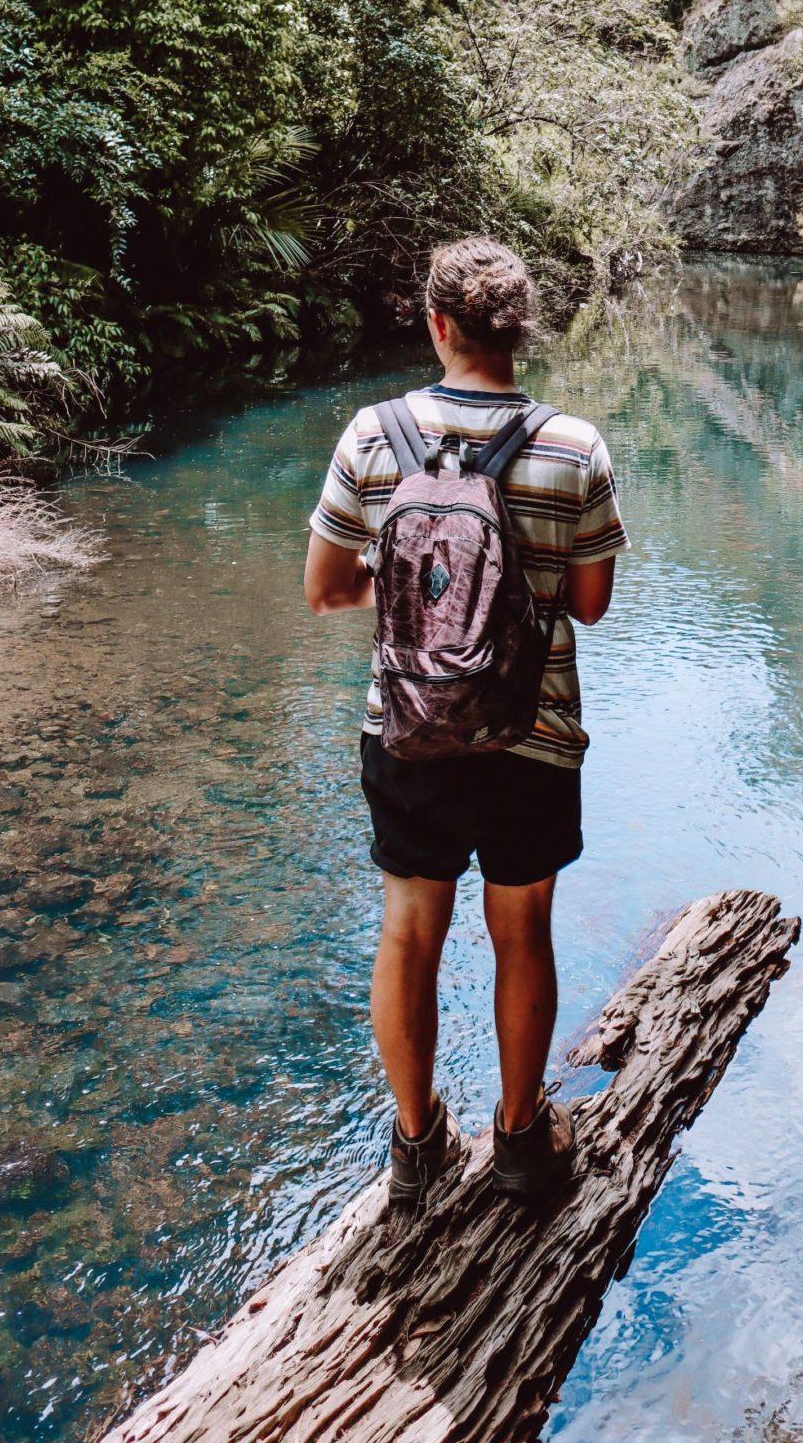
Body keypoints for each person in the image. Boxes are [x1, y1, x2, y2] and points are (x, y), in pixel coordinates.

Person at [303, 237, 629, 1210]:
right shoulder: (575, 446)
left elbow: (324, 589)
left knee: (409, 928)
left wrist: (415, 590)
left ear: (437, 325)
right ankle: (523, 1136)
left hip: (406, 725)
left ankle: (416, 1143)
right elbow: (592, 601)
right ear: (521, 332)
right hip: (532, 730)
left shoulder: (373, 433)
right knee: (521, 928)